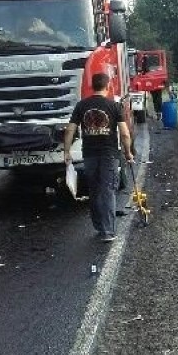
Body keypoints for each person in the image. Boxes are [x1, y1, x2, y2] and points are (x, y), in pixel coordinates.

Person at [63, 72, 133, 242]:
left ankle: (99, 227)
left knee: (94, 190)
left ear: (92, 86)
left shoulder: (81, 106)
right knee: (107, 190)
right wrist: (128, 152)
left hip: (89, 154)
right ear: (107, 86)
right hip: (109, 154)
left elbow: (70, 130)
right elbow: (124, 134)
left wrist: (67, 152)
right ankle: (108, 231)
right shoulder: (114, 106)